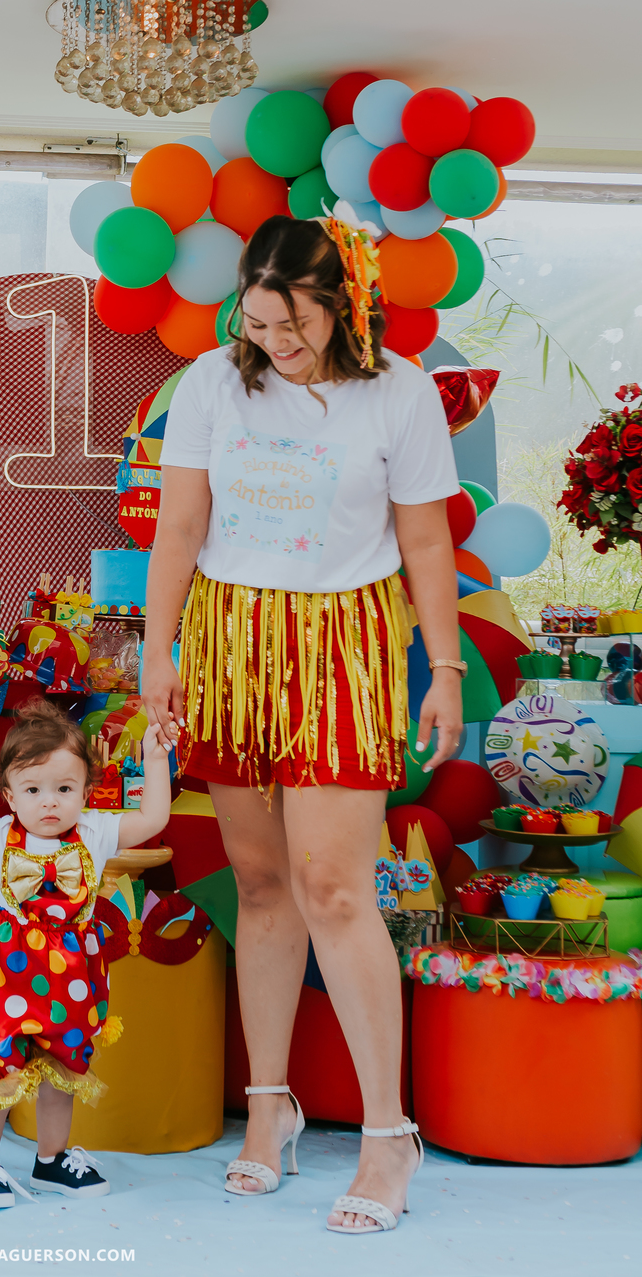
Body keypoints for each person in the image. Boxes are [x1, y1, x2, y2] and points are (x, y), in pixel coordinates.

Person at [142, 213, 463, 1237]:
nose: (275, 341)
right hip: (231, 639)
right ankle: (270, 1108)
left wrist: (444, 667)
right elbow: (182, 523)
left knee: (335, 885)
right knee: (263, 883)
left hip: (348, 642)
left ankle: (385, 1133)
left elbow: (424, 540)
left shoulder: (401, 393)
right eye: (260, 320)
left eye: (294, 323)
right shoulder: (210, 384)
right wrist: (158, 651)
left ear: (342, 305)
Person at [0, 698, 171, 1209]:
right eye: (33, 790)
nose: (48, 802)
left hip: (71, 980)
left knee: (64, 1068)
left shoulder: (96, 831)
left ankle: (51, 1161)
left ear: (86, 791)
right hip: (3, 974)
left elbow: (153, 816)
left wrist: (157, 757)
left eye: (64, 789)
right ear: (9, 795)